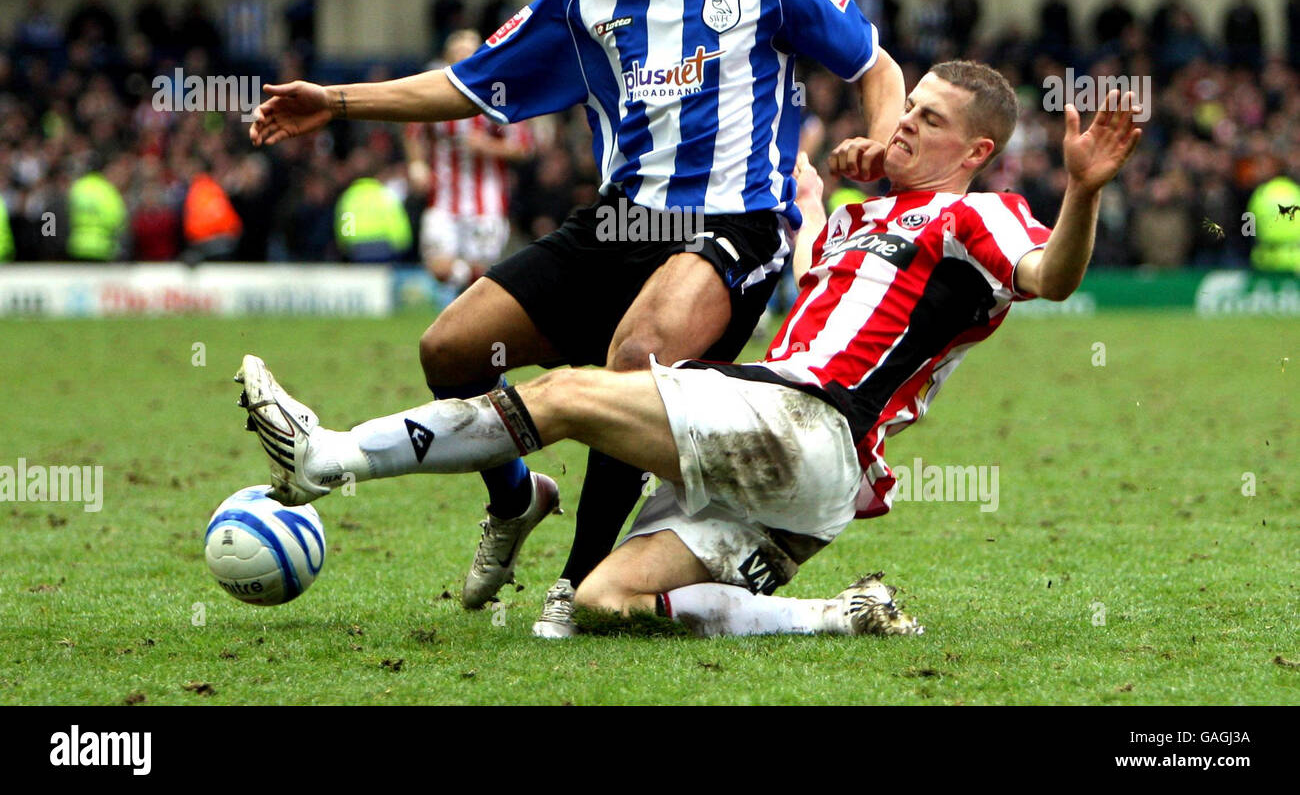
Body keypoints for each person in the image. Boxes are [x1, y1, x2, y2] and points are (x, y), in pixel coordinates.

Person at [248, 0, 905, 637]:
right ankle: (517, 497)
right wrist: (336, 101)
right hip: (616, 223)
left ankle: (575, 580)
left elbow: (875, 66)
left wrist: (883, 145)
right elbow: (465, 86)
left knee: (634, 362)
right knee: (451, 352)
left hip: (736, 225)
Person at [237, 62, 1142, 637]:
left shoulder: (977, 213)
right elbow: (805, 218)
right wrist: (813, 175)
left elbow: (1050, 276)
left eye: (930, 119)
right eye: (907, 107)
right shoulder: (862, 223)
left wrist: (1083, 192)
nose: (904, 122)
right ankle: (840, 615)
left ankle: (330, 456)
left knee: (562, 395)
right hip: (805, 480)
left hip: (808, 421)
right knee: (603, 601)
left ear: (976, 148)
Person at [403, 30, 533, 298]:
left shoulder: (499, 93)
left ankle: (470, 321)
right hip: (443, 198)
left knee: (479, 278)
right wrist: (417, 165)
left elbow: (523, 147)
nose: (463, 57)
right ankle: (478, 282)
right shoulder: (435, 93)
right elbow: (413, 130)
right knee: (439, 268)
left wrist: (487, 146)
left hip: (486, 200)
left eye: (469, 52)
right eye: (457, 53)